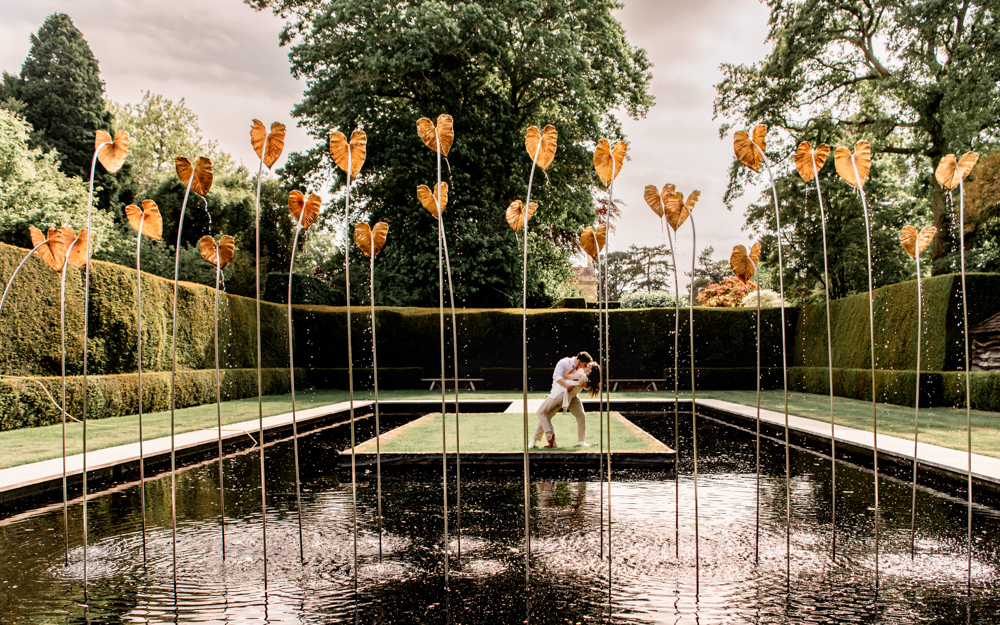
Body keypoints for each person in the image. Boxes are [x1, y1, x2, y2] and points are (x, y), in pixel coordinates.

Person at [529, 352, 602, 448]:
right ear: (580, 362)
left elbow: (587, 382)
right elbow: (557, 376)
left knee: (581, 415)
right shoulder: (564, 362)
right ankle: (536, 440)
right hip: (559, 391)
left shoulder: (582, 370)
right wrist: (567, 386)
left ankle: (581, 441)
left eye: (587, 365)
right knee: (546, 415)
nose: (585, 366)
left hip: (572, 395)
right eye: (585, 364)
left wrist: (585, 386)